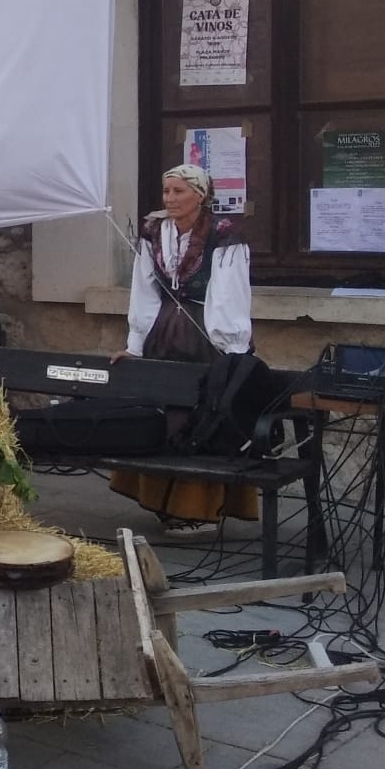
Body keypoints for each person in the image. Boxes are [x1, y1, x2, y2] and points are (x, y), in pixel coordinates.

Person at [109, 163, 254, 541]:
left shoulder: (224, 236)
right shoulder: (154, 231)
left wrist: (232, 351)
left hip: (204, 335)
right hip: (162, 332)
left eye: (179, 192)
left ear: (200, 195)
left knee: (201, 418)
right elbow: (143, 289)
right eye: (166, 191)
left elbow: (229, 295)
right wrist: (135, 344)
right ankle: (164, 503)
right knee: (162, 414)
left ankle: (201, 510)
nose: (170, 199)